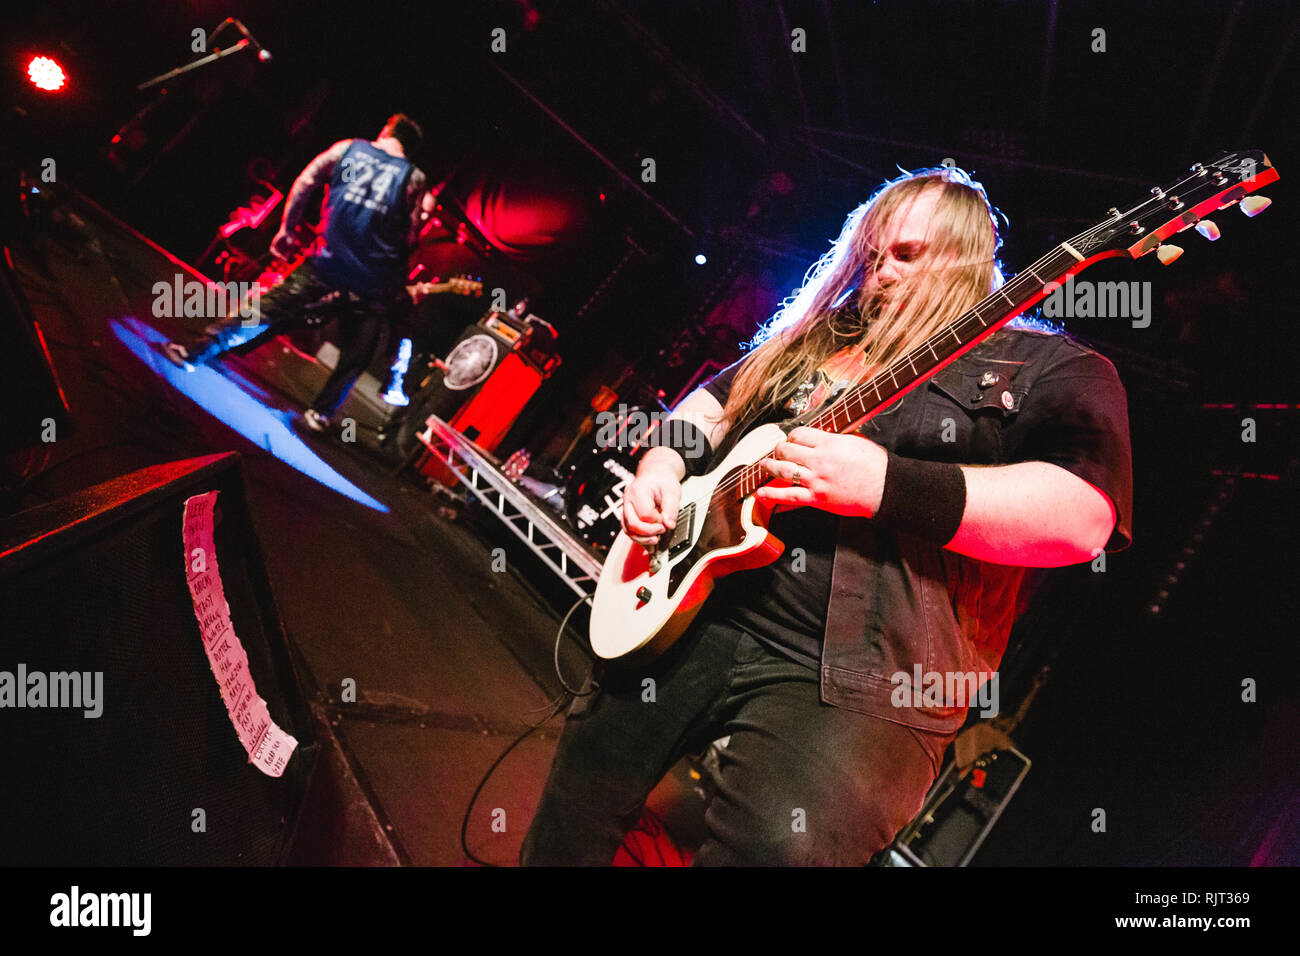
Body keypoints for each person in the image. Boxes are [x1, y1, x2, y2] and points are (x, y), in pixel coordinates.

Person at [520, 165, 1133, 866]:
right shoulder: (824, 338)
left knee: (781, 848)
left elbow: (1082, 516)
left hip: (869, 681)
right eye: (870, 256)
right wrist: (662, 465)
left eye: (904, 255)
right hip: (700, 609)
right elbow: (713, 406)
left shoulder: (1049, 369)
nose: (880, 275)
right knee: (580, 794)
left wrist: (887, 486)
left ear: (971, 258)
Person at [166, 113, 436, 431]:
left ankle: (196, 352)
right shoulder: (414, 178)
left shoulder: (349, 149)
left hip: (328, 260)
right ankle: (321, 414)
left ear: (386, 130)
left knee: (269, 308)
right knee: (359, 349)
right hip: (372, 277)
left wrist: (287, 229)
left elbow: (306, 181)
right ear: (411, 148)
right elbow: (411, 235)